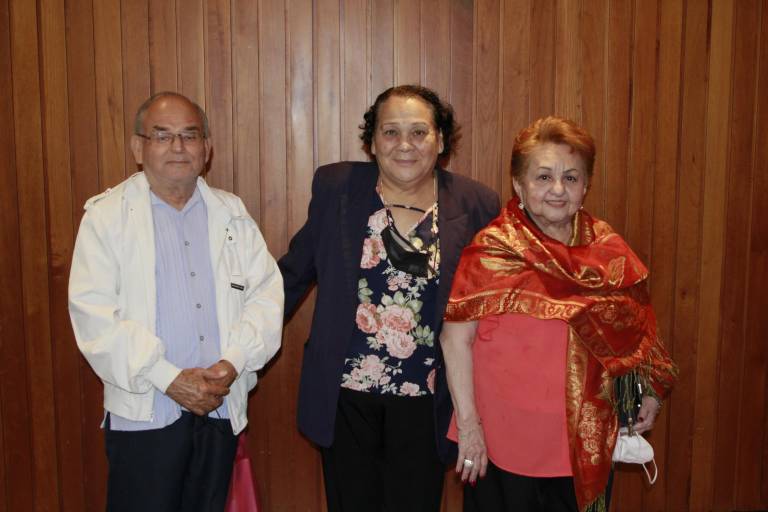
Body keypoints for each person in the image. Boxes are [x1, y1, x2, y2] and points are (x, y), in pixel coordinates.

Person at [279, 85, 500, 511]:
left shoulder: (475, 204)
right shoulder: (336, 188)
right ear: (372, 141)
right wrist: (234, 350)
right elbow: (292, 276)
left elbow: (493, 305)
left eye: (419, 132)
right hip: (345, 397)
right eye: (390, 132)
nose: (405, 145)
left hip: (427, 397)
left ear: (441, 140)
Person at [440, 116, 678, 512]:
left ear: (585, 187)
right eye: (542, 176)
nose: (556, 189)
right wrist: (469, 428)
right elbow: (455, 340)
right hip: (500, 439)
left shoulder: (610, 251)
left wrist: (648, 389)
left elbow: (638, 333)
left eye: (570, 178)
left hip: (584, 437)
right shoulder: (492, 250)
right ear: (518, 184)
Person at [68, 92, 283, 511]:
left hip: (217, 406)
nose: (178, 147)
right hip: (146, 410)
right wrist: (168, 377)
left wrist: (233, 361)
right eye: (162, 136)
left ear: (207, 148)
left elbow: (266, 295)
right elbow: (94, 316)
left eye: (190, 135)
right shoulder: (106, 217)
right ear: (138, 147)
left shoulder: (232, 213)